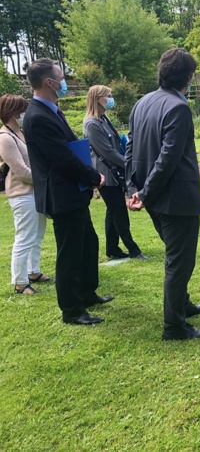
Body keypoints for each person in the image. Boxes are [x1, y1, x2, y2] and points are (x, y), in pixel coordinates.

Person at [125, 48, 200, 341]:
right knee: (179, 262)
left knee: (178, 257)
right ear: (188, 76)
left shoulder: (142, 103)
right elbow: (168, 158)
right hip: (175, 200)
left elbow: (129, 149)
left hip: (154, 199)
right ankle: (174, 326)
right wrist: (144, 193)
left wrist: (134, 189)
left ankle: (183, 304)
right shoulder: (178, 107)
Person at [23, 58, 113, 325]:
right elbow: (62, 158)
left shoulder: (50, 111)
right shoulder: (38, 116)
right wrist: (94, 176)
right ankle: (72, 310)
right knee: (70, 252)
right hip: (62, 195)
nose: (64, 82)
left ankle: (86, 292)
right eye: (61, 78)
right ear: (49, 82)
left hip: (73, 192)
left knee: (87, 242)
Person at [83, 85, 147, 261]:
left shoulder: (103, 119)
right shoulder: (92, 124)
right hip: (106, 175)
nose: (111, 98)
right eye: (108, 96)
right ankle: (133, 249)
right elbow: (107, 152)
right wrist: (129, 163)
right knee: (119, 212)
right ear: (98, 99)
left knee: (113, 211)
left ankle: (112, 249)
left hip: (114, 173)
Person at [0, 95, 51, 294]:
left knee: (37, 234)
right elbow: (20, 170)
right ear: (13, 112)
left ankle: (33, 271)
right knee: (24, 236)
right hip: (22, 193)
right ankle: (20, 282)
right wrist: (45, 180)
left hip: (35, 191)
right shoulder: (5, 137)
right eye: (23, 109)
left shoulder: (21, 132)